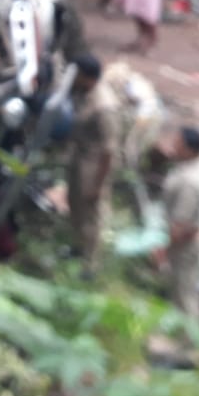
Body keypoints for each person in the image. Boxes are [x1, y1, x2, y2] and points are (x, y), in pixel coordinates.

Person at [67, 54, 119, 275]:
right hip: (80, 157)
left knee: (91, 214)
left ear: (86, 77)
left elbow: (110, 149)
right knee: (76, 204)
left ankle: (91, 262)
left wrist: (98, 184)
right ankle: (78, 246)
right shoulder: (85, 93)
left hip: (94, 164)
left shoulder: (105, 107)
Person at [159, 126, 199, 317]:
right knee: (181, 289)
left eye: (178, 144)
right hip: (189, 237)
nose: (173, 146)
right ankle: (181, 337)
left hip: (185, 244)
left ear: (190, 151)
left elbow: (180, 226)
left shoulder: (189, 183)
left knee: (184, 293)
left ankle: (188, 342)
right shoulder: (196, 167)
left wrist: (163, 251)